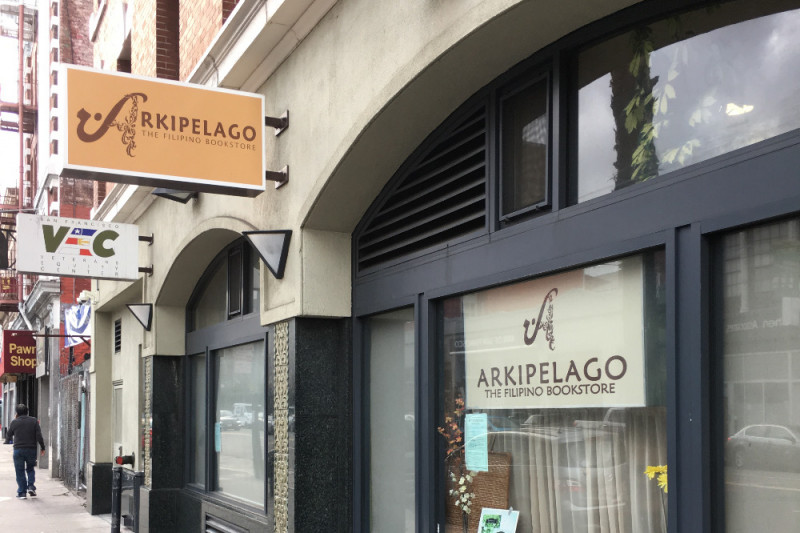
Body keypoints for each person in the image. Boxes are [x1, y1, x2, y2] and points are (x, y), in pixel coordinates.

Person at [3, 404, 45, 499]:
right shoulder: (34, 421)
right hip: (31, 449)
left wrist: (7, 441)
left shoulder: (14, 422)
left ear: (17, 413)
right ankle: (31, 487)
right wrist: (43, 447)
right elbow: (39, 435)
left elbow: (8, 435)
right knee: (30, 468)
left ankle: (22, 492)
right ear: (27, 411)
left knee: (20, 471)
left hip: (18, 450)